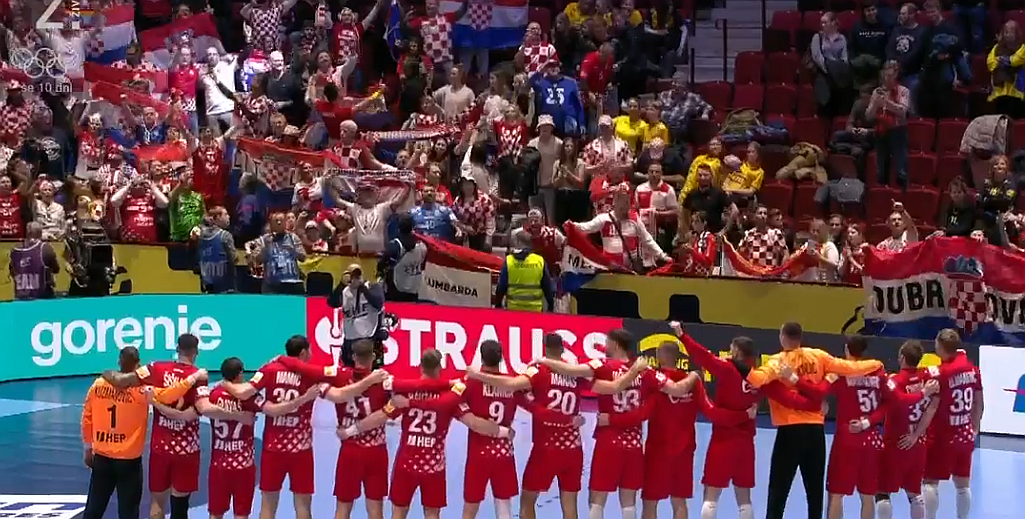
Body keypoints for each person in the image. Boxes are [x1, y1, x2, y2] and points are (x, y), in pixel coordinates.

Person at [533, 329, 708, 519]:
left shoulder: (603, 365)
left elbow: (571, 370)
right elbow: (676, 390)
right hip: (633, 446)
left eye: (607, 342)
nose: (604, 345)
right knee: (628, 501)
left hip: (608, 441)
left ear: (615, 344)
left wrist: (544, 361)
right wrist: (694, 376)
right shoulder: (645, 371)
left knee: (597, 499)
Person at [669, 323, 833, 519]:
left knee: (711, 496)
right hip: (746, 444)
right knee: (744, 498)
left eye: (731, 348)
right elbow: (789, 398)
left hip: (722, 440)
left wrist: (682, 335)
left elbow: (702, 355)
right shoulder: (761, 378)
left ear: (737, 352)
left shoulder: (727, 369)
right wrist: (815, 406)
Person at [218, 335, 385, 519]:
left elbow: (244, 393)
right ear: (304, 352)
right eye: (310, 350)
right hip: (301, 450)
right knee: (303, 506)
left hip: (273, 448)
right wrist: (368, 381)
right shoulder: (312, 376)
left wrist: (225, 383)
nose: (312, 354)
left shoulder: (269, 369)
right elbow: (339, 396)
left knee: (268, 505)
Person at [743, 322, 886, 519]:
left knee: (778, 490)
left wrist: (737, 365)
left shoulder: (777, 362)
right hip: (815, 432)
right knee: (815, 492)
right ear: (800, 337)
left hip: (790, 430)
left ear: (782, 337)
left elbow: (757, 379)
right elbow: (851, 367)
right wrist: (876, 364)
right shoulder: (819, 356)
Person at [601, 341, 756, 519]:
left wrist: (611, 419)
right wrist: (744, 415)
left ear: (659, 356)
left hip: (658, 451)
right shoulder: (693, 382)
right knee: (679, 502)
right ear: (678, 357)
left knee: (650, 502)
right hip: (684, 451)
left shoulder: (653, 380)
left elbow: (642, 414)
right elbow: (713, 413)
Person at [345, 349, 504, 519]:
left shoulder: (405, 393)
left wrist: (352, 430)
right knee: (432, 514)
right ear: (439, 368)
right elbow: (473, 423)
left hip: (406, 464)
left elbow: (380, 417)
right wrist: (502, 431)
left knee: (398, 513)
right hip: (433, 467)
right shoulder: (449, 396)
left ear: (421, 367)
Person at [810, 336, 937, 519]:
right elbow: (897, 400)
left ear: (846, 349)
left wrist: (809, 392)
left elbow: (817, 391)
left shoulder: (840, 374)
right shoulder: (878, 374)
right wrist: (923, 392)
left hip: (847, 439)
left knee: (837, 494)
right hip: (872, 440)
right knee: (868, 495)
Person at [464, 334, 587, 519]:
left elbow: (513, 385)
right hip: (573, 448)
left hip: (545, 449)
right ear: (562, 349)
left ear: (545, 347)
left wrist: (477, 375)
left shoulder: (537, 370)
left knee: (527, 501)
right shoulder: (575, 373)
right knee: (570, 504)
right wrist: (570, 419)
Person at [81, 346, 205, 519]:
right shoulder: (142, 390)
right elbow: (169, 395)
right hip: (128, 460)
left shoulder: (99, 384)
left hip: (102, 456)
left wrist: (88, 448)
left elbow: (87, 417)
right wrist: (191, 379)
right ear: (138, 365)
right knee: (129, 512)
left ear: (118, 362)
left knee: (93, 509)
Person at [193, 357, 321, 519]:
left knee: (215, 513)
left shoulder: (213, 394)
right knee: (241, 514)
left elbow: (203, 408)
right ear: (240, 373)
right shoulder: (251, 398)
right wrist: (303, 399)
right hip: (244, 467)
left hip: (219, 466)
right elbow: (273, 410)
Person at [277, 340, 392, 519]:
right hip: (376, 451)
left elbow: (309, 371)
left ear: (353, 357)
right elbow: (391, 411)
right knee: (376, 509)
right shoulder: (384, 381)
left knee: (342, 509)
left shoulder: (337, 375)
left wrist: (283, 359)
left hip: (350, 451)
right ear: (373, 357)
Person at [875, 341, 942, 519]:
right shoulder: (927, 378)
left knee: (882, 492)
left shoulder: (895, 381)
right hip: (917, 444)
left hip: (895, 444)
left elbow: (900, 400)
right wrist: (916, 435)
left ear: (902, 358)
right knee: (914, 493)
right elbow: (932, 407)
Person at [922, 329, 984, 519]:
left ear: (940, 347)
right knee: (963, 485)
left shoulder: (940, 374)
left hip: (942, 436)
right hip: (965, 434)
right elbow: (979, 402)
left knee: (930, 482)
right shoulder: (973, 369)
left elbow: (929, 405)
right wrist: (975, 428)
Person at [328, 264, 386, 368]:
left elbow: (378, 303)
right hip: (350, 340)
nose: (355, 278)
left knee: (372, 371)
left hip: (369, 339)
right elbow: (332, 303)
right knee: (349, 371)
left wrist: (362, 287)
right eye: (352, 275)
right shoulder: (344, 291)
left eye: (358, 275)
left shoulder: (372, 287)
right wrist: (341, 284)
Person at [494, 231, 556, 312]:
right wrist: (550, 306)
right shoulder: (539, 261)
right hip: (535, 310)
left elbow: (501, 287)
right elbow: (547, 287)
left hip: (513, 310)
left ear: (518, 243)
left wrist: (498, 304)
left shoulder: (509, 261)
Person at [378, 213, 427, 302]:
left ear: (398, 228)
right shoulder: (422, 247)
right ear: (412, 228)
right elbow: (423, 266)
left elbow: (381, 265)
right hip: (414, 290)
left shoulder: (395, 246)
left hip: (395, 291)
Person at [258, 212, 306, 295]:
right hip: (271, 284)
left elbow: (303, 257)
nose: (279, 223)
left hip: (291, 283)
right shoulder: (265, 240)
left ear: (285, 223)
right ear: (271, 224)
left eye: (281, 220)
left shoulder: (293, 238)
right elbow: (258, 260)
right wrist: (265, 249)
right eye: (276, 221)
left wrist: (293, 250)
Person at [9, 221, 59, 300]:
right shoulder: (45, 248)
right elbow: (56, 269)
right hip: (42, 298)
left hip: (21, 298)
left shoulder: (14, 251)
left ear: (26, 233)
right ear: (40, 233)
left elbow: (11, 272)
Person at [197, 206, 237, 294]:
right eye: (225, 214)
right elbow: (234, 258)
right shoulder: (225, 236)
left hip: (207, 286)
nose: (229, 217)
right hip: (225, 287)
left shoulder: (199, 235)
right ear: (217, 217)